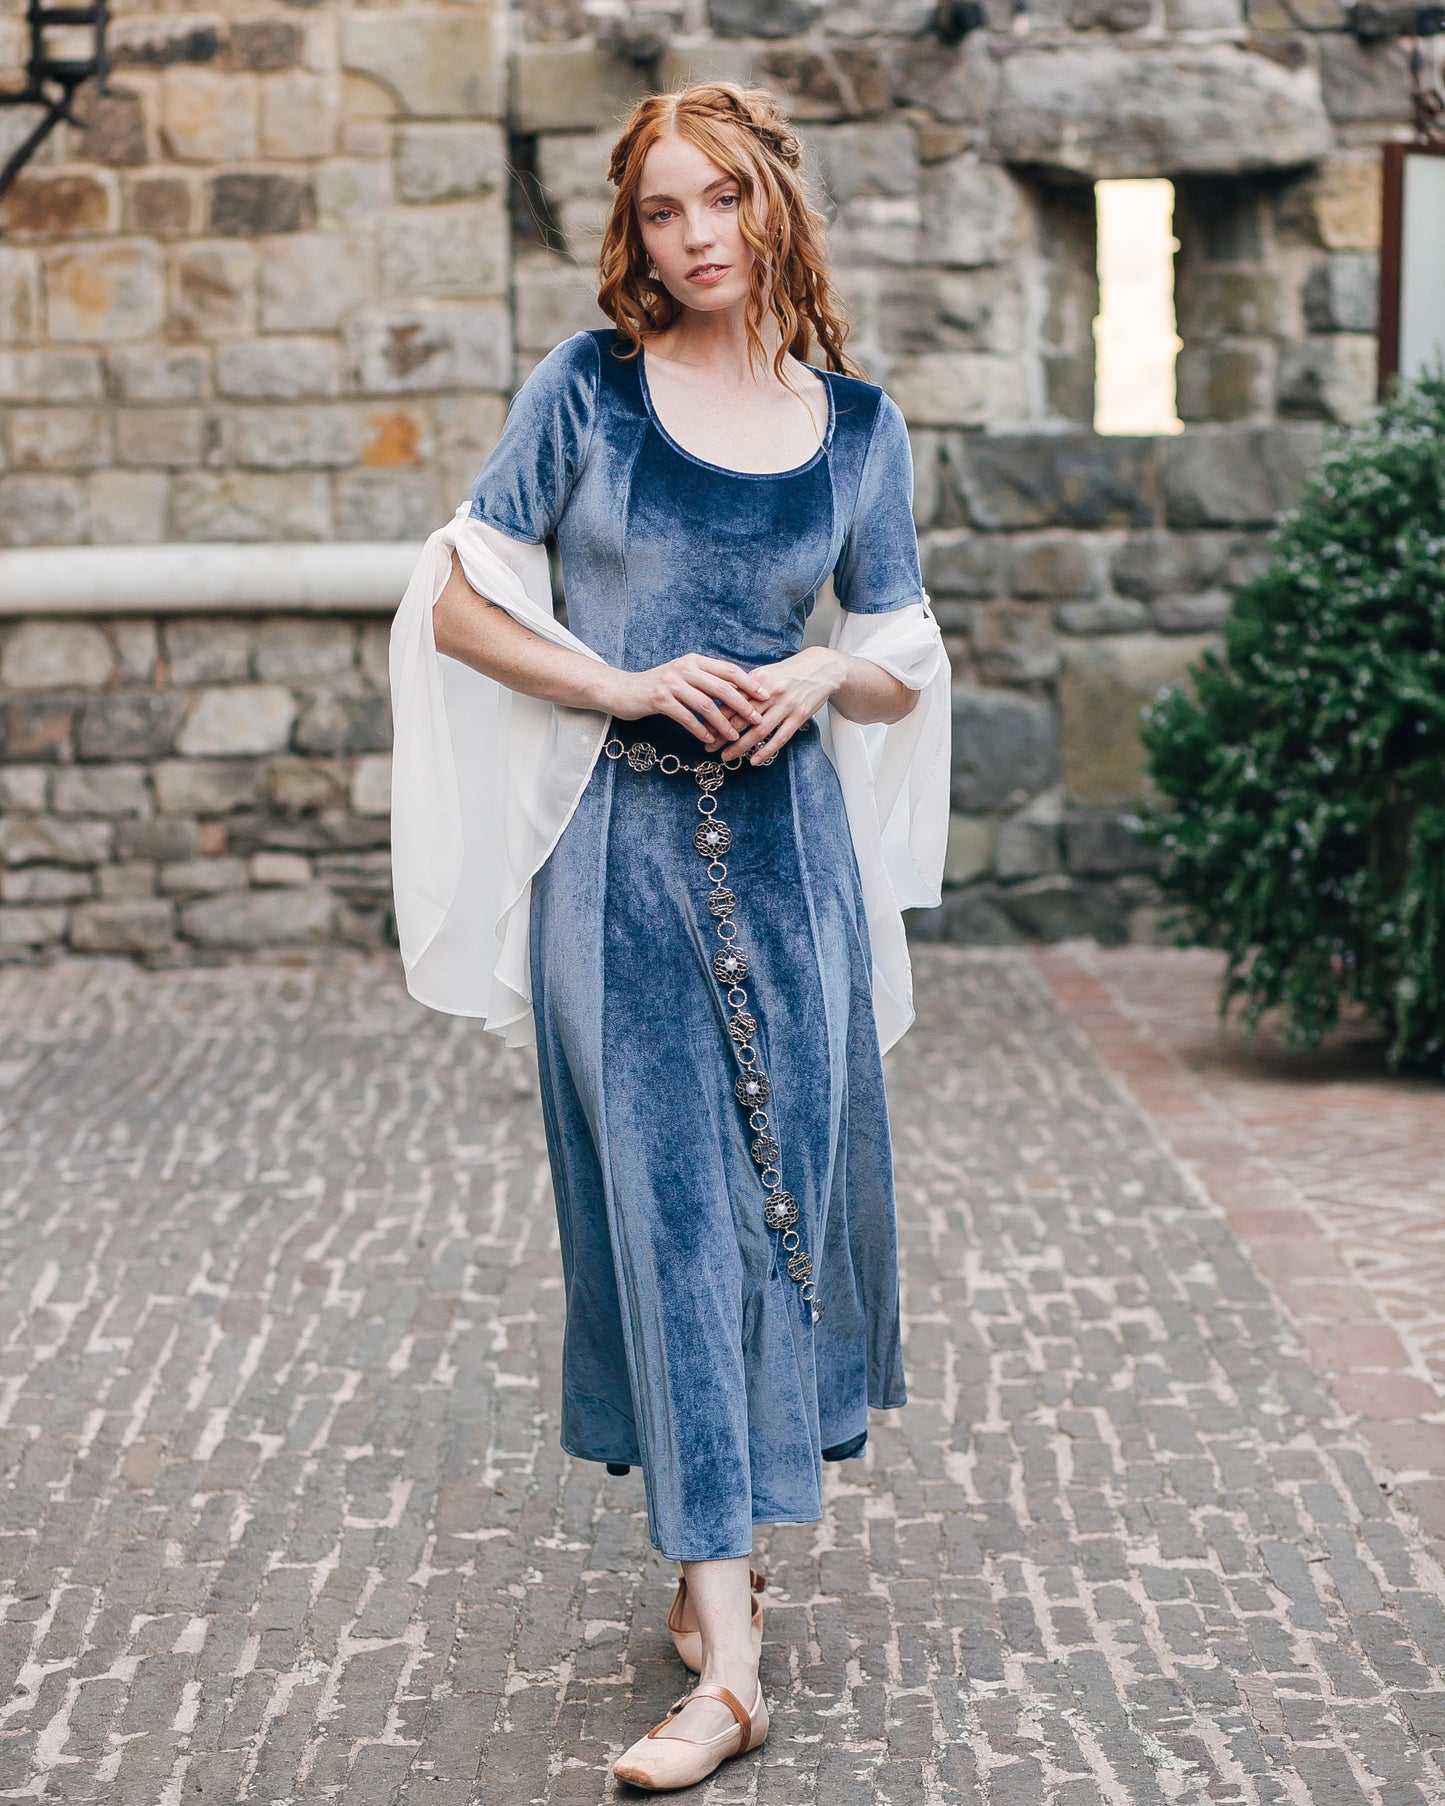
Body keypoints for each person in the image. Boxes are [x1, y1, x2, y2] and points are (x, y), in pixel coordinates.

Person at [389, 81, 949, 1792]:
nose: (691, 236)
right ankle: (731, 1665)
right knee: (669, 1217)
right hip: (619, 871)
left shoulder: (859, 429)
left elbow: (905, 647)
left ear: (772, 202)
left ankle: (725, 1574)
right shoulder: (589, 396)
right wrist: (625, 678)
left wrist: (812, 671)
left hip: (792, 876)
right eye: (657, 212)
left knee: (779, 1209)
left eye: (716, 200)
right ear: (631, 235)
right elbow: (460, 599)